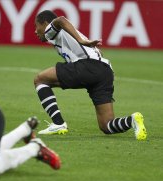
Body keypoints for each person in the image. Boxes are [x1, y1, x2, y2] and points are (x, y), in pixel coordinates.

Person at [33, 10, 147, 140]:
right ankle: (132, 120)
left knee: (40, 80)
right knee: (106, 125)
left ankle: (58, 123)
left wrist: (81, 40)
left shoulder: (51, 30)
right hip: (105, 71)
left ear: (45, 23)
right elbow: (100, 54)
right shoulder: (64, 35)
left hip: (88, 66)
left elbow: (61, 20)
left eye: (36, 26)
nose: (36, 31)